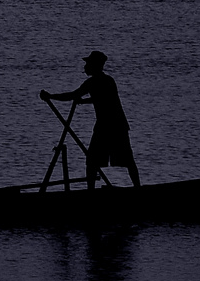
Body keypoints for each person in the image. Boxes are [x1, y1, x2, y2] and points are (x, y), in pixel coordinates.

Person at [40, 51, 139, 187]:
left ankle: (93, 192)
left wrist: (51, 96)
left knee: (95, 161)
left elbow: (74, 95)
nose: (85, 67)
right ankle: (137, 187)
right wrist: (83, 101)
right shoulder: (108, 81)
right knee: (122, 160)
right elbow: (102, 99)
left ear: (95, 65)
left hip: (110, 127)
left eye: (88, 64)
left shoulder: (93, 83)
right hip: (115, 125)